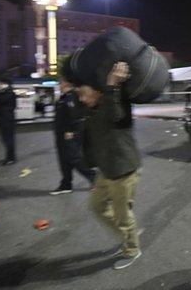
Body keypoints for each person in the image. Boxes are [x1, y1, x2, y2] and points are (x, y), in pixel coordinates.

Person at [76, 61, 143, 270]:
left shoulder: (116, 102)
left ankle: (132, 249)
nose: (82, 99)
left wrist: (113, 86)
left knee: (124, 215)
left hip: (123, 170)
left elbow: (116, 116)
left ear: (97, 92)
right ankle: (127, 235)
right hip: (106, 170)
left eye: (84, 94)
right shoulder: (91, 110)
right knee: (96, 206)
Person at [50, 75, 96, 195]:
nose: (59, 84)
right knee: (64, 160)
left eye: (61, 82)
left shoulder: (72, 97)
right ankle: (66, 185)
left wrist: (71, 131)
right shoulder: (63, 97)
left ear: (66, 83)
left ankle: (94, 177)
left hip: (69, 134)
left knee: (74, 158)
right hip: (60, 133)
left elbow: (76, 115)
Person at [0, 77, 16, 166]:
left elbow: (1, 100)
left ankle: (10, 158)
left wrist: (0, 91)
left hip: (7, 119)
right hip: (4, 118)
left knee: (8, 139)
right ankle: (10, 157)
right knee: (5, 139)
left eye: (1, 84)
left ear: (6, 85)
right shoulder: (4, 92)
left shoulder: (9, 93)